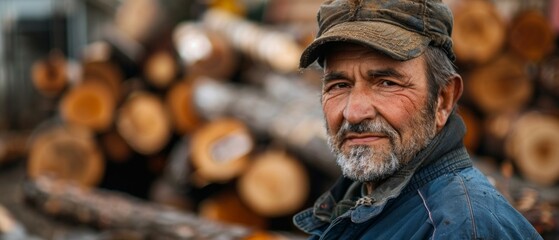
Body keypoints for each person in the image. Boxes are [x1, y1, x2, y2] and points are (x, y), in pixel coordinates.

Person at [292, 0, 543, 239]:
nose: (354, 112)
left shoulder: (463, 228)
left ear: (443, 99)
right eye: (339, 85)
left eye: (386, 83)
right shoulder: (356, 205)